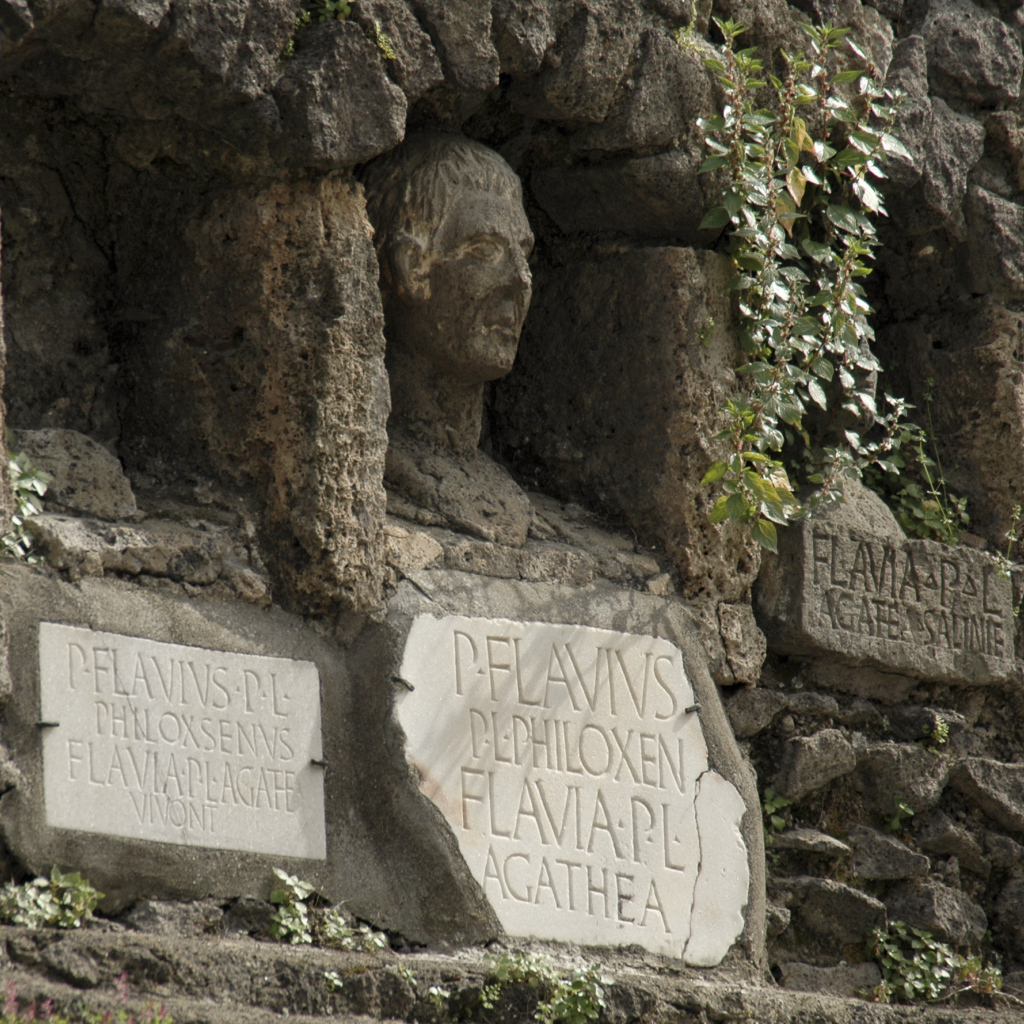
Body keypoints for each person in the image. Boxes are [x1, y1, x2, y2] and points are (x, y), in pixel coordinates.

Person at [362, 133, 535, 546]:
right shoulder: (367, 470)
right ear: (410, 268)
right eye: (485, 250)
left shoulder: (509, 497)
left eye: (524, 254)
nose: (520, 280)